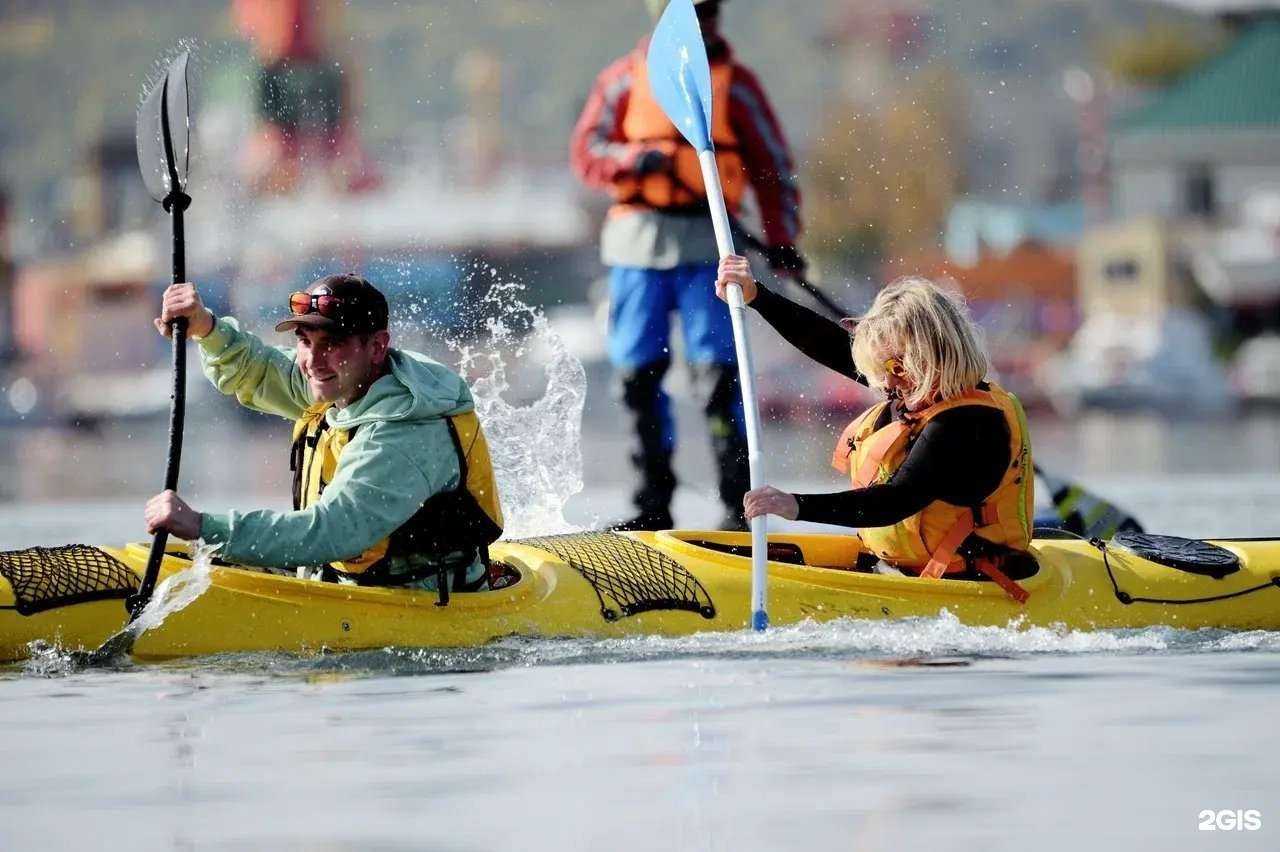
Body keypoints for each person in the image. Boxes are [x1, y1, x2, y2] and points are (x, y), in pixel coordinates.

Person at [570, 0, 803, 530]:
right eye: (693, 12)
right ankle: (651, 506)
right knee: (636, 377)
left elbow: (772, 167)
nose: (706, 23)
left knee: (719, 377)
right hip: (637, 248)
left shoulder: (736, 85)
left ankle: (735, 508)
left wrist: (782, 240)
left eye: (711, 11)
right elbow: (587, 152)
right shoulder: (620, 80)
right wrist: (632, 160)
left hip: (709, 248)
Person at [144, 273, 505, 594]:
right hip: (347, 586)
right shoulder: (343, 383)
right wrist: (204, 327)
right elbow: (256, 371)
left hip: (417, 605)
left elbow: (332, 530)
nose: (313, 362)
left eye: (331, 344)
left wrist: (202, 526)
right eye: (305, 341)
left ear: (377, 347)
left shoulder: (406, 433)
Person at [715, 255, 1036, 602]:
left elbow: (894, 501)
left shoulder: (967, 425)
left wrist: (795, 505)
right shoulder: (915, 387)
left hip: (970, 583)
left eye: (894, 367)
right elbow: (832, 346)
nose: (885, 383)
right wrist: (757, 297)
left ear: (931, 357)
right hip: (910, 570)